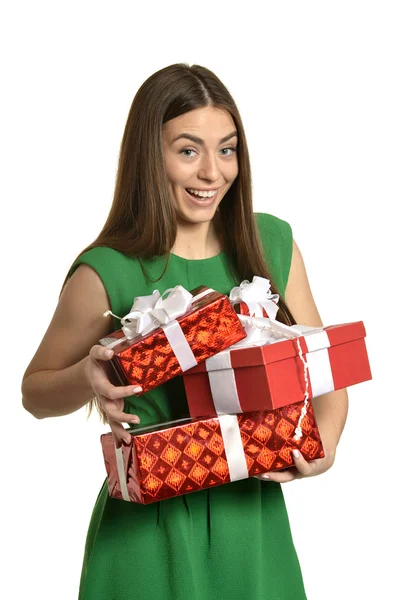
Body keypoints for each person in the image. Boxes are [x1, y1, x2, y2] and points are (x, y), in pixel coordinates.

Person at [21, 63, 348, 600]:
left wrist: (325, 446)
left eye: (227, 149)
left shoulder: (272, 244)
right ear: (151, 157)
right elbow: (35, 393)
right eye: (189, 150)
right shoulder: (107, 270)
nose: (212, 173)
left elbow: (324, 371)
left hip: (254, 526)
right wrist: (87, 374)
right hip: (147, 534)